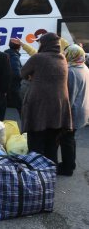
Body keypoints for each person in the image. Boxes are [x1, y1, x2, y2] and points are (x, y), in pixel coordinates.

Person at [21, 32, 72, 164]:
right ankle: (50, 173)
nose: (39, 44)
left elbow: (23, 73)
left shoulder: (38, 58)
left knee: (36, 142)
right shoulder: (62, 58)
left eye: (40, 42)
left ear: (45, 44)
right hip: (58, 109)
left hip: (39, 107)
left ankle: (37, 173)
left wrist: (32, 76)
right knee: (52, 145)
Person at [58, 44, 89, 176]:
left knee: (66, 139)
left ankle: (67, 168)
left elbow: (68, 95)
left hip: (73, 111)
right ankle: (71, 163)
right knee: (70, 138)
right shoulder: (84, 67)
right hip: (82, 109)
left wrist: (62, 114)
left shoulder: (71, 71)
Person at [4, 41, 23, 116]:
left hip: (5, 87)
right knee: (20, 108)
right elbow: (16, 74)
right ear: (19, 47)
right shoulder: (14, 56)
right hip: (14, 87)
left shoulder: (5, 55)